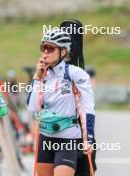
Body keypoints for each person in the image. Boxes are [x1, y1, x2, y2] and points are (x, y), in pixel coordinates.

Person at [27, 28, 96, 176]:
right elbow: (32, 107)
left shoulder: (76, 74)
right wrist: (37, 78)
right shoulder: (42, 74)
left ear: (63, 52)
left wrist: (88, 139)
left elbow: (88, 108)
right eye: (43, 47)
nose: (45, 52)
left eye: (50, 48)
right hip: (45, 137)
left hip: (68, 138)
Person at [60, 19, 97, 176]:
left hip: (76, 133)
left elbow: (87, 108)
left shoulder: (79, 73)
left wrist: (88, 137)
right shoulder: (53, 70)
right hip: (62, 133)